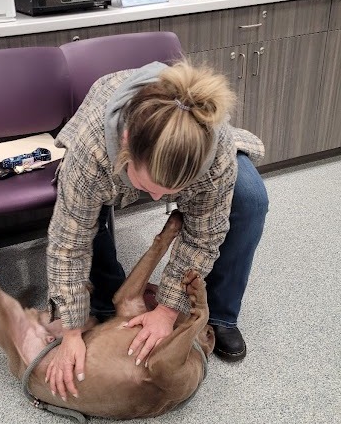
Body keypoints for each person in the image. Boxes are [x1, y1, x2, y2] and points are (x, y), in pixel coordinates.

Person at [45, 60, 268, 400]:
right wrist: (72, 330)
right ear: (126, 144)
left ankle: (219, 315)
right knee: (88, 219)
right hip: (103, 138)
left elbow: (203, 236)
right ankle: (105, 299)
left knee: (251, 198)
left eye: (171, 191)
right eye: (147, 185)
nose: (156, 199)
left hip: (187, 151)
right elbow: (68, 244)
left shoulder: (216, 150)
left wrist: (168, 309)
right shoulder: (91, 152)